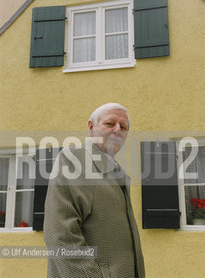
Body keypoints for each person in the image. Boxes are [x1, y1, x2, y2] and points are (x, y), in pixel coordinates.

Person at [43, 103, 145, 278]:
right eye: (110, 123)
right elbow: (60, 234)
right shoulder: (75, 159)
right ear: (91, 127)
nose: (117, 130)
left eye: (124, 127)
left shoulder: (116, 171)